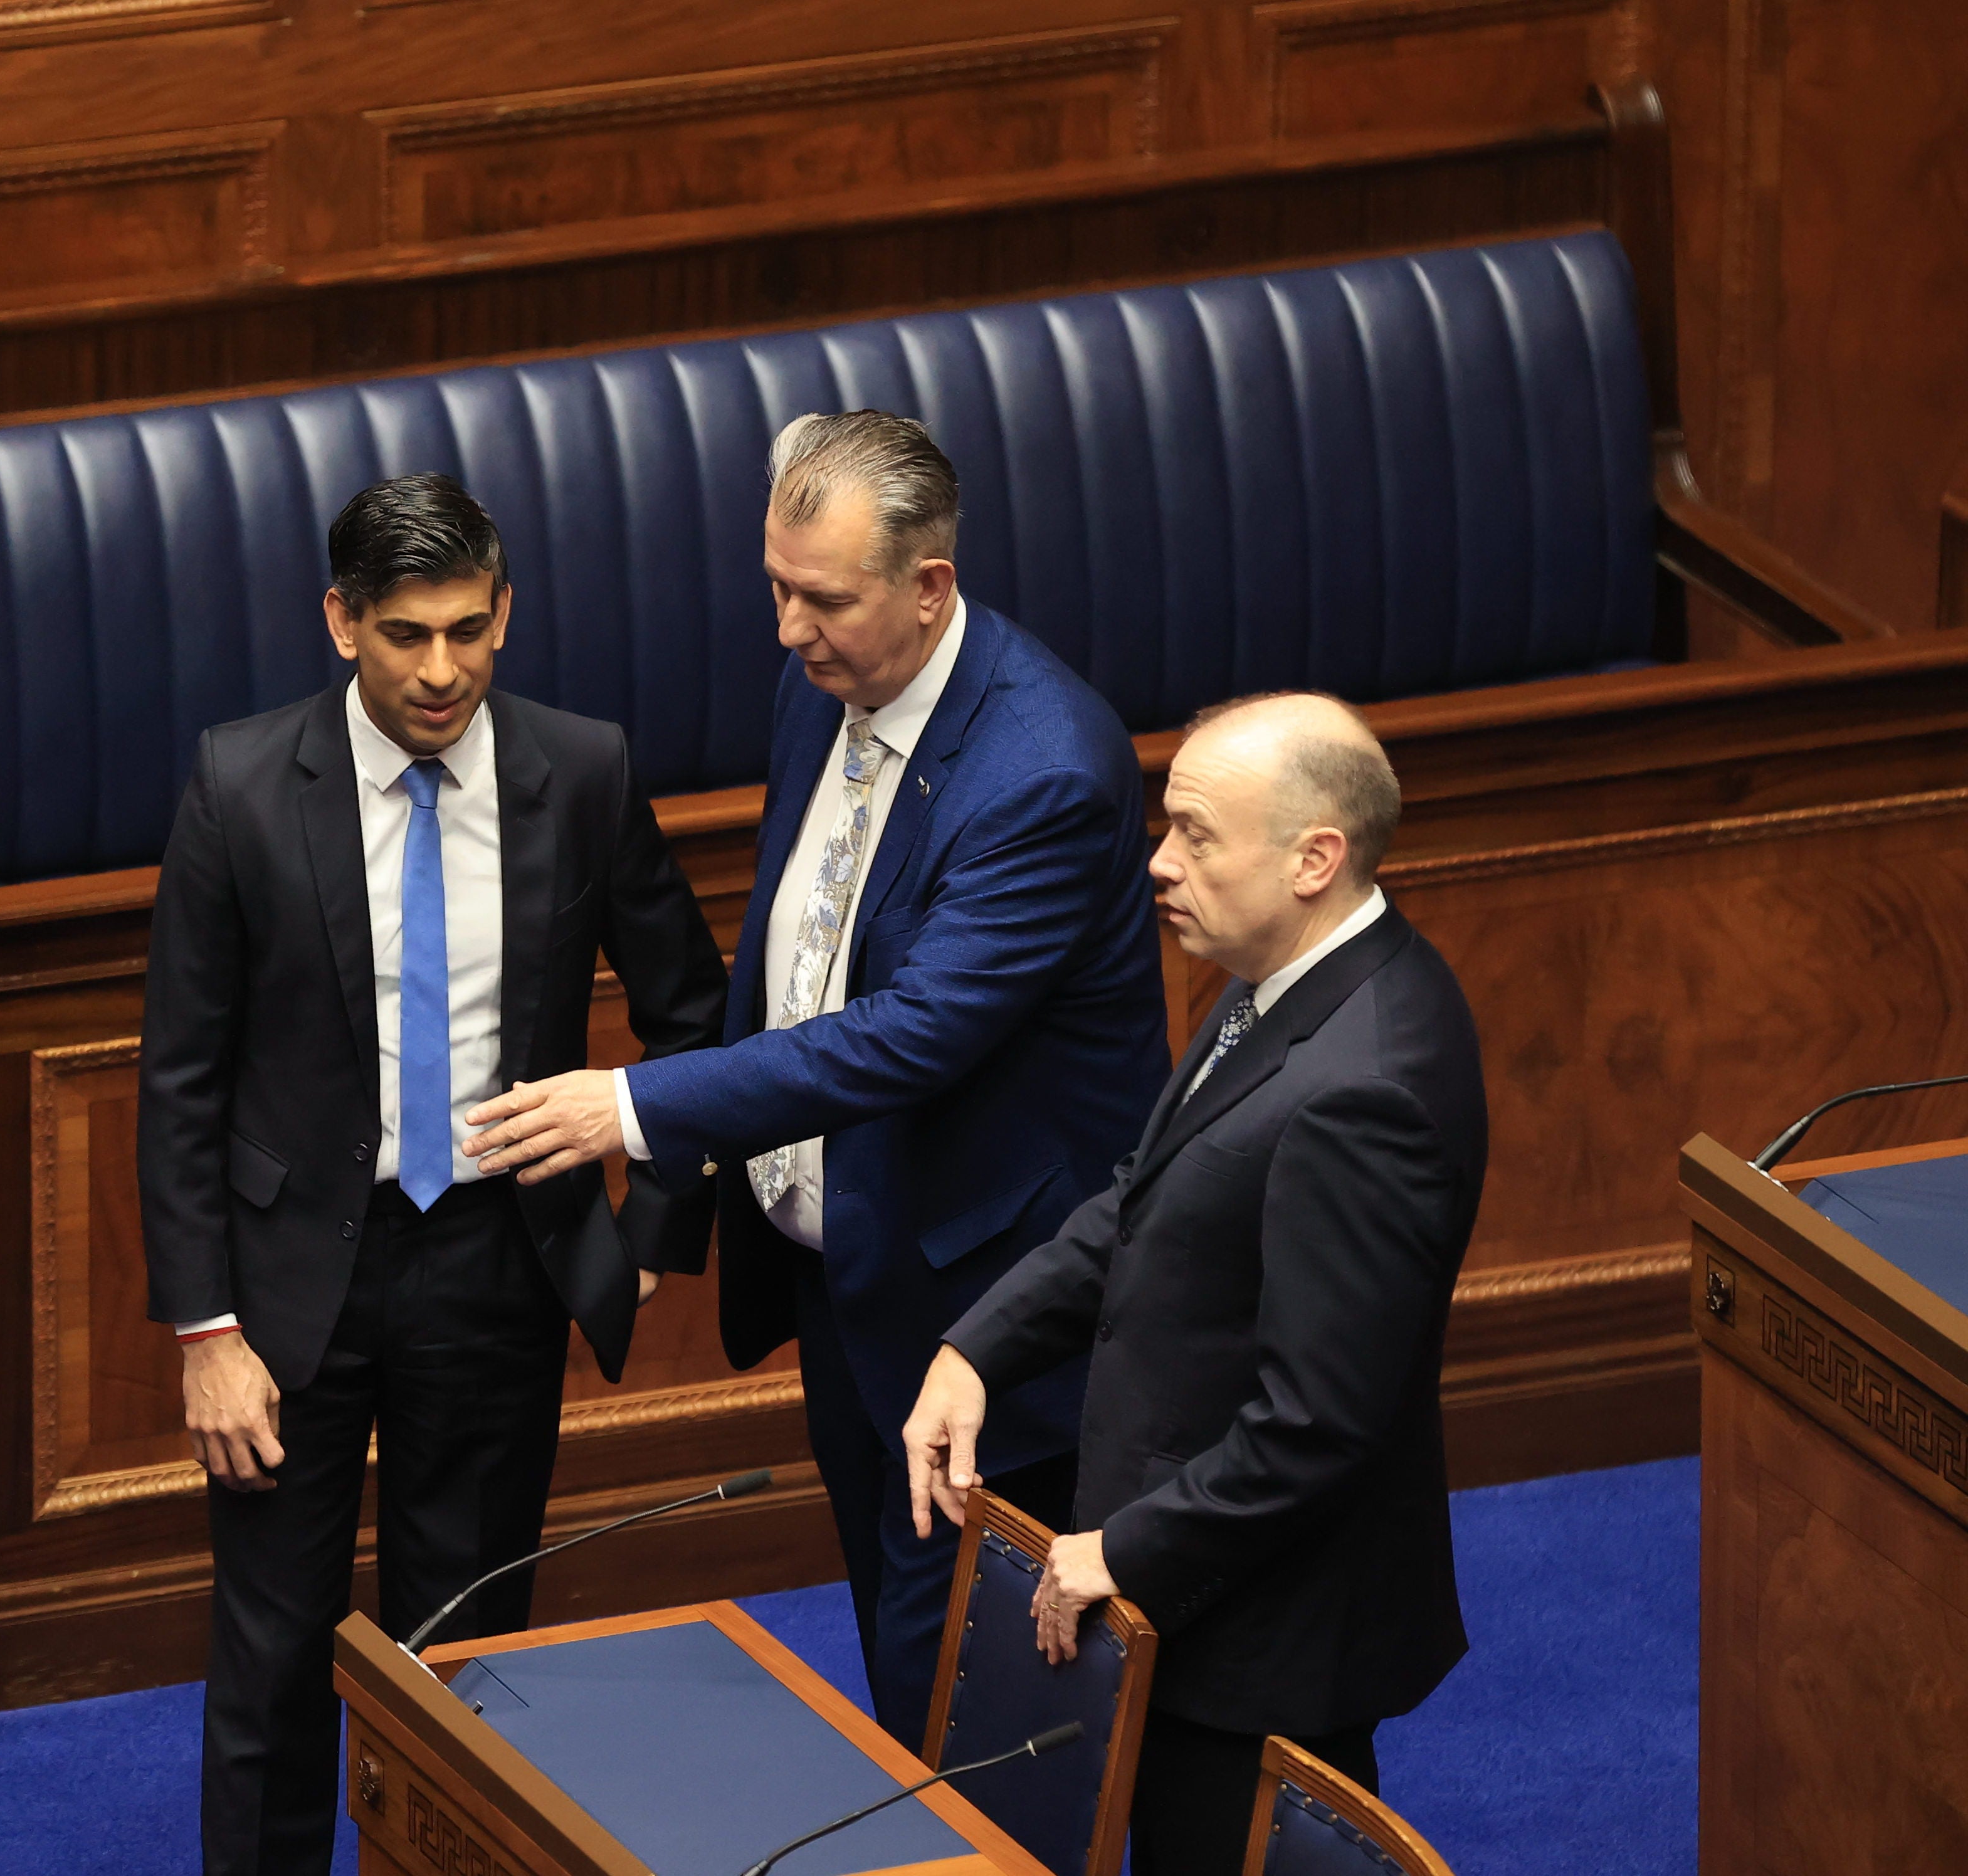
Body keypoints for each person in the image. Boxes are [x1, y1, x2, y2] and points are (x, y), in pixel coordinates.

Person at [461, 411, 1169, 1746]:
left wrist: (632, 1108)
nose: (787, 628)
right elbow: (794, 947)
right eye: (775, 587)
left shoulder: (1044, 775)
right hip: (852, 1270)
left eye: (821, 599)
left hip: (988, 1298)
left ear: (929, 587)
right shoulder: (827, 678)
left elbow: (910, 1032)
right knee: (899, 1651)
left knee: (971, 1694)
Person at [138, 472, 729, 1876]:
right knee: (273, 1654)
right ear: (341, 622)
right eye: (406, 633)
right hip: (290, 1292)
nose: (443, 669)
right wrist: (205, 1332)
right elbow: (180, 1084)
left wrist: (648, 1219)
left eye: (471, 628)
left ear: (506, 611)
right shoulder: (239, 782)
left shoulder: (580, 771)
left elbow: (692, 1014)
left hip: (491, 1266)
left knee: (465, 1652)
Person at [900, 691, 1487, 1876]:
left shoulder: (1363, 1088)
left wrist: (1121, 1552)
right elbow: (1148, 1198)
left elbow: (1318, 1422)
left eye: (1197, 836)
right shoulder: (1283, 977)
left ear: (1314, 858)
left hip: (1261, 1633)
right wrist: (979, 1346)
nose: (1160, 864)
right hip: (1208, 1594)